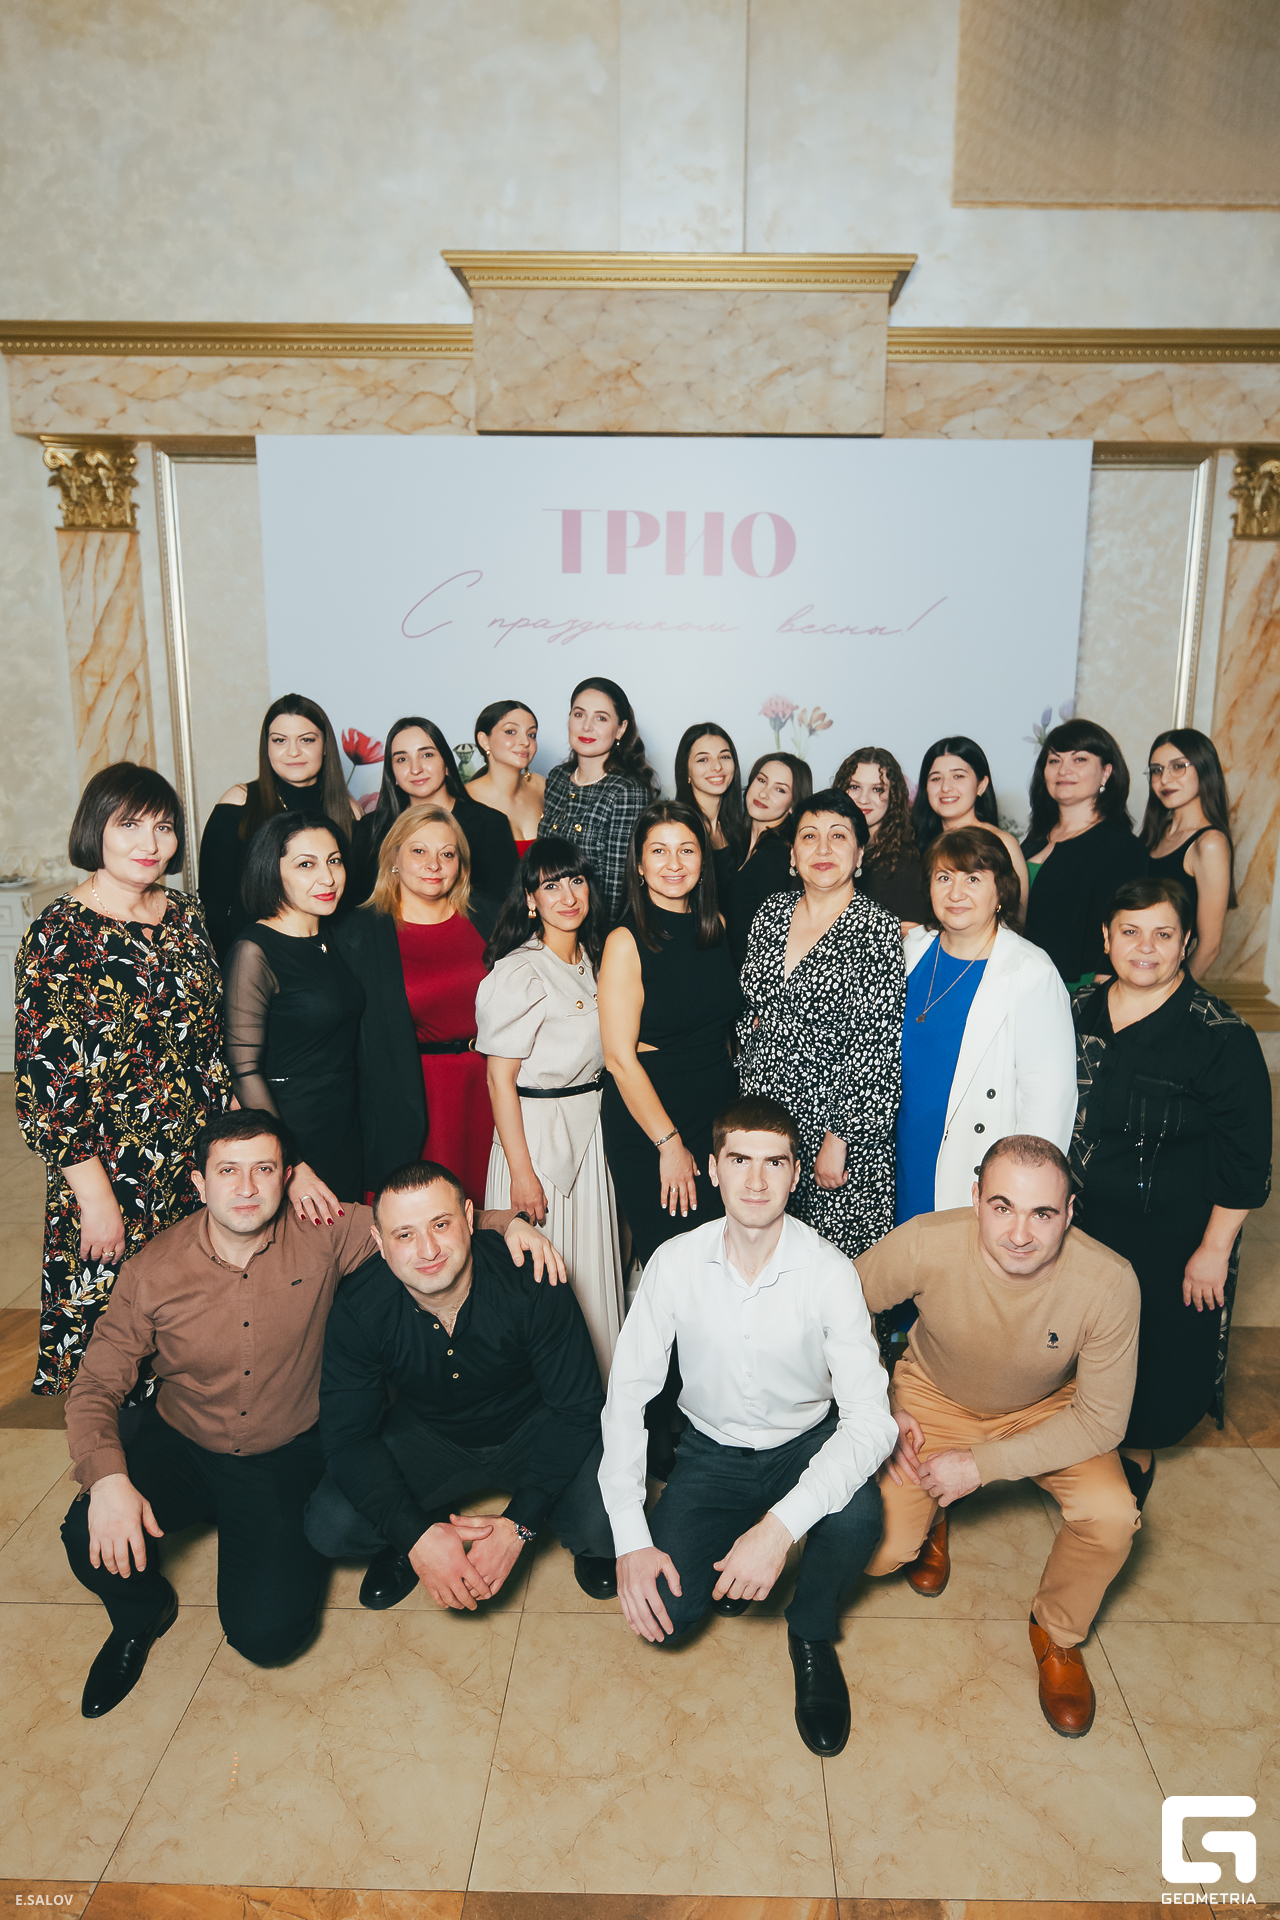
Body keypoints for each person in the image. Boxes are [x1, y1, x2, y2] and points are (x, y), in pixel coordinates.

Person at [59, 1110, 564, 1717]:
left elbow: (423, 1224)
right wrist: (109, 1481)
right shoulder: (153, 1270)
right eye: (228, 1171)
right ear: (199, 1184)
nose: (247, 1187)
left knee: (269, 1636)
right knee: (85, 1528)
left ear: (287, 1176)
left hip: (284, 1452)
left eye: (263, 1169)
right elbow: (94, 1387)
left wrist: (512, 1227)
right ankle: (141, 1615)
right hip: (184, 1441)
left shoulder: (324, 1230)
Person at [599, 1096, 896, 1757]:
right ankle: (731, 1549)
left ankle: (810, 1630)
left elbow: (872, 1423)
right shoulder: (674, 1263)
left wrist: (778, 1531)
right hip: (710, 1453)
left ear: (795, 1174)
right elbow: (626, 1399)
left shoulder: (830, 1272)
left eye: (774, 1163)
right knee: (665, 1619)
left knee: (859, 1518)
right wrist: (630, 1538)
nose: (756, 1181)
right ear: (712, 1169)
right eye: (739, 1161)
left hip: (805, 1443)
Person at [855, 1135, 1141, 1739]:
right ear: (977, 1199)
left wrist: (980, 1465)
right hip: (932, 1399)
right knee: (877, 1554)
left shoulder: (1110, 1281)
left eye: (1043, 1214)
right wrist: (879, 1405)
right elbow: (840, 1308)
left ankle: (1056, 1633)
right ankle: (932, 1516)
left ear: (1069, 1214)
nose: (1020, 1233)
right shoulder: (927, 1241)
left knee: (1112, 1514)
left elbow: (1102, 1420)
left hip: (1046, 1410)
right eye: (1003, 1207)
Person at [303, 1159, 617, 1612]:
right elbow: (348, 1439)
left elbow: (578, 1409)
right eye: (404, 1234)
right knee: (330, 1525)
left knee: (609, 1524)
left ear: (469, 1219)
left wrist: (520, 1524)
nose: (428, 1249)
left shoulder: (530, 1277)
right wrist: (414, 1535)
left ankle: (577, 1534)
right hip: (430, 1435)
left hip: (532, 1426)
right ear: (379, 1243)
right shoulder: (359, 1307)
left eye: (440, 1224)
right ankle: (413, 1535)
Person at [15, 763, 230, 1394]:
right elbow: (48, 1087)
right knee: (114, 1337)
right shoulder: (59, 933)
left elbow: (209, 1044)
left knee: (196, 1324)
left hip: (192, 1159)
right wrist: (95, 1199)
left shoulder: (185, 916)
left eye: (164, 827)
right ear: (95, 830)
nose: (149, 843)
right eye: (130, 824)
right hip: (111, 1169)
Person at [1070, 878, 1272, 1504]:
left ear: (1185, 943)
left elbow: (1247, 1160)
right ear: (1107, 940)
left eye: (1163, 935)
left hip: (1170, 1234)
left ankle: (1136, 1448)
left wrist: (1214, 1250)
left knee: (1154, 1351)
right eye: (1130, 932)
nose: (1145, 948)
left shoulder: (1220, 1036)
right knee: (1078, 1337)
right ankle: (1073, 1439)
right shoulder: (1076, 1009)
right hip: (1079, 1221)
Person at [477, 839, 625, 1379]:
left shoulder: (596, 960)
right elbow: (499, 1079)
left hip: (591, 1134)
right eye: (551, 885)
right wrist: (521, 1175)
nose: (567, 896)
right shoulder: (519, 971)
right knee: (541, 1279)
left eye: (576, 881)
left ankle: (601, 1395)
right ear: (530, 899)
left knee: (591, 1273)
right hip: (535, 1140)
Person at [737, 789, 905, 1261]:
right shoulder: (772, 912)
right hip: (766, 1120)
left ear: (860, 853)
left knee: (835, 1269)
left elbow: (875, 1045)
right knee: (769, 1258)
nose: (823, 848)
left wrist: (839, 1139)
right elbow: (753, 1007)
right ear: (793, 854)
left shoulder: (876, 927)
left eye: (838, 836)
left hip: (837, 1128)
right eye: (809, 837)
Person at [896, 828, 1075, 1225]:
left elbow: (1049, 1099)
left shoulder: (1032, 972)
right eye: (944, 877)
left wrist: (1023, 1198)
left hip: (974, 1163)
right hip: (901, 1153)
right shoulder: (912, 948)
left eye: (973, 879)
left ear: (1001, 891)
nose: (955, 893)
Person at [598, 801, 742, 1269]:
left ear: (703, 860)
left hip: (717, 1113)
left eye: (687, 849)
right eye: (659, 851)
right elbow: (619, 1060)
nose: (674, 863)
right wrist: (669, 1143)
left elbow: (722, 1028)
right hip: (653, 1122)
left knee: (724, 1262)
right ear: (639, 865)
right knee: (677, 1269)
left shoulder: (716, 927)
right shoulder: (625, 941)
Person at [339, 802, 498, 1209]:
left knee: (497, 1212)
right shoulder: (359, 933)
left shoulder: (489, 916)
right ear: (393, 858)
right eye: (419, 851)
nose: (434, 865)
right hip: (414, 1098)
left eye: (447, 853)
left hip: (494, 1087)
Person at [223, 813, 366, 1210]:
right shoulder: (254, 950)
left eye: (334, 861)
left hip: (343, 1120)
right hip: (292, 1125)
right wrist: (291, 1162)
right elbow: (244, 1070)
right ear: (272, 871)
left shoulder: (333, 937)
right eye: (306, 864)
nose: (328, 878)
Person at [198, 693, 360, 962]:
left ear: (325, 746)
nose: (293, 752)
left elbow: (355, 902)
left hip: (332, 959)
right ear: (267, 747)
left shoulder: (349, 811)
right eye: (279, 740)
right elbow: (212, 905)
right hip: (255, 961)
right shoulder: (239, 803)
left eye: (306, 740)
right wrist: (231, 968)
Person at [1021, 717, 1147, 989]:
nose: (1063, 770)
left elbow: (1126, 930)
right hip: (1023, 979)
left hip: (1078, 988)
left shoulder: (1120, 847)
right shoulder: (1033, 841)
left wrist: (1096, 998)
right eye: (1054, 760)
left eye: (1079, 759)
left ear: (1106, 772)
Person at [355, 714, 517, 904]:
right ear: (393, 774)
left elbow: (507, 904)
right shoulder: (371, 829)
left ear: (447, 764)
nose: (416, 769)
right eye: (402, 759)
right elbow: (359, 904)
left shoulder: (490, 824)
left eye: (427, 755)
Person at [538, 677, 658, 919]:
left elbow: (616, 890)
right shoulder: (557, 778)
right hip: (549, 920)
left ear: (621, 728)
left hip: (596, 928)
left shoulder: (627, 791)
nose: (586, 727)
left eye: (601, 718)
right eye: (579, 714)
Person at [1141, 729, 1237, 980]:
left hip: (1163, 985)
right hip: (1131, 976)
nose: (1164, 779)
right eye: (1156, 770)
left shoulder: (1210, 843)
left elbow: (1210, 947)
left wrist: (1170, 994)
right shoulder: (1153, 835)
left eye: (1178, 767)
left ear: (1204, 770)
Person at [911, 735, 1029, 911]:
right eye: (936, 778)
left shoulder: (1002, 843)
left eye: (958, 776)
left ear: (981, 785)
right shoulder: (913, 844)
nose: (945, 787)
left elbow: (1015, 917)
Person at [720, 752, 809, 972]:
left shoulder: (777, 857)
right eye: (761, 780)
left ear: (793, 805)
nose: (764, 793)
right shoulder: (738, 845)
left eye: (780, 790)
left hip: (749, 981)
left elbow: (771, 945)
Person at [836, 744, 930, 927]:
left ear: (893, 795)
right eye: (854, 787)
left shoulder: (905, 867)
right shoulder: (825, 852)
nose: (863, 799)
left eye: (877, 789)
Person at [673, 721, 748, 905]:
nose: (717, 767)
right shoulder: (678, 827)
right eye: (703, 759)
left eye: (725, 757)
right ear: (686, 771)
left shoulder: (738, 827)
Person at [463, 700, 546, 855]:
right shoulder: (465, 799)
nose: (525, 742)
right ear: (484, 741)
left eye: (531, 735)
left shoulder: (540, 786)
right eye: (510, 732)